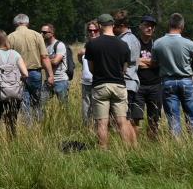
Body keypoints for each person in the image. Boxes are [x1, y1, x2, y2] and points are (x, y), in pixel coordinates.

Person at [82, 16, 135, 147]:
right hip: (119, 85)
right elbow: (124, 69)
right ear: (113, 25)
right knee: (122, 121)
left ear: (99, 26)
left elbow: (91, 68)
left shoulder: (92, 44)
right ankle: (126, 150)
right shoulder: (123, 45)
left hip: (100, 85)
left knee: (101, 122)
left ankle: (103, 150)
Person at [149, 14, 193, 138]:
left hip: (167, 82)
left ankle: (176, 145)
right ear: (182, 26)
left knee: (173, 118)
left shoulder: (158, 43)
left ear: (169, 25)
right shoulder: (188, 43)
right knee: (192, 116)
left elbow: (154, 63)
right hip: (186, 81)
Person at [0, 30, 26, 141]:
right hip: (14, 94)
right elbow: (25, 73)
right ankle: (12, 143)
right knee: (12, 121)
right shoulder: (15, 53)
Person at [5, 14, 46, 121]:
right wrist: (50, 75)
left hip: (18, 74)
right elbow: (44, 57)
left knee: (24, 101)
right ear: (27, 23)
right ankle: (39, 122)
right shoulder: (37, 35)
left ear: (15, 23)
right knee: (37, 101)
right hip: (35, 72)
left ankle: (28, 126)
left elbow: (7, 59)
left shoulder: (10, 37)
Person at [133, 16, 163, 138]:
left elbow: (159, 63)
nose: (149, 28)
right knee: (135, 117)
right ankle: (135, 143)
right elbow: (133, 62)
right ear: (140, 26)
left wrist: (141, 62)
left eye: (152, 26)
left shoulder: (157, 45)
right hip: (138, 85)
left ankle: (152, 142)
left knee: (154, 117)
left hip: (155, 85)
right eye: (146, 25)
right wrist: (150, 62)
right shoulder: (135, 43)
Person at [41, 23, 70, 112]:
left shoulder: (59, 45)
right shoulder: (44, 46)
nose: (42, 34)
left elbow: (56, 61)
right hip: (48, 80)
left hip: (60, 80)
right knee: (40, 104)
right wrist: (48, 60)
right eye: (41, 32)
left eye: (44, 32)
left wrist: (45, 60)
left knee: (64, 107)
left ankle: (66, 123)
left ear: (52, 33)